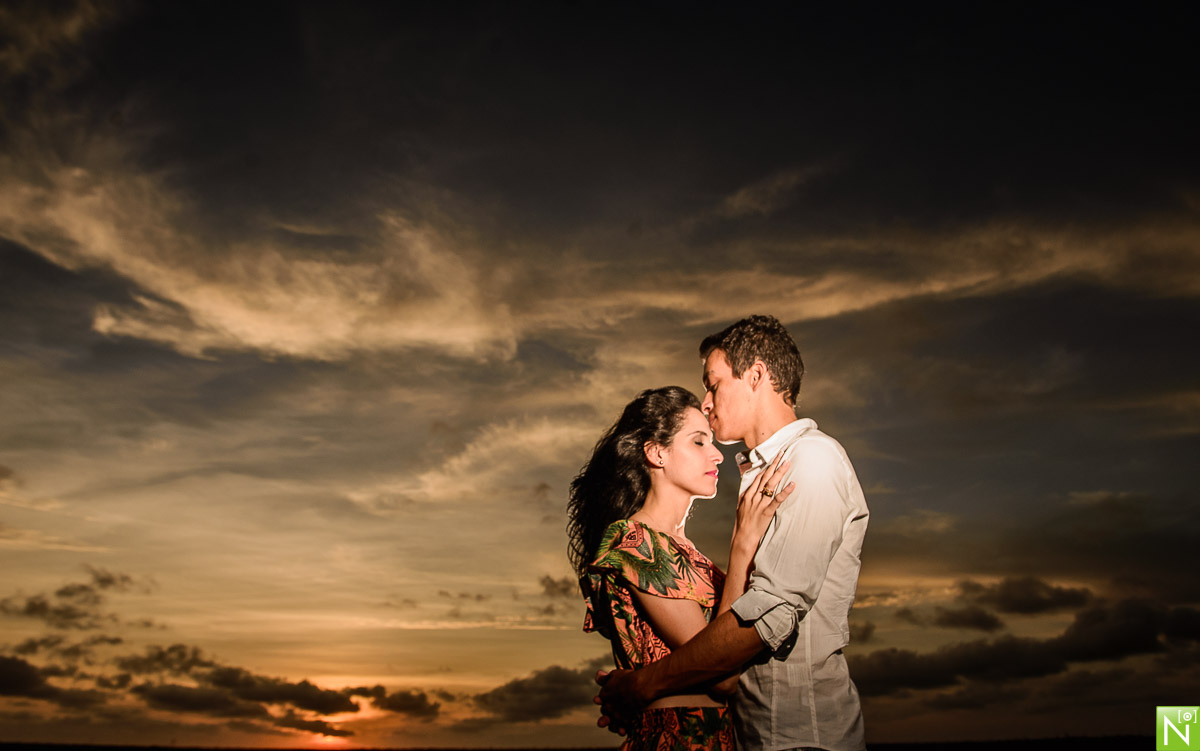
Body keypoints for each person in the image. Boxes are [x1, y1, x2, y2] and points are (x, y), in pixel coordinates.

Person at [596, 315, 870, 751]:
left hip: (799, 737)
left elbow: (764, 620)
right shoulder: (761, 476)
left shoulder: (811, 463)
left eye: (714, 383)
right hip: (754, 736)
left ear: (757, 375)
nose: (706, 400)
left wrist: (644, 685)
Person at [567, 386, 794, 751]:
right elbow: (721, 676)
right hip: (674, 741)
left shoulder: (691, 554)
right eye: (699, 442)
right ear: (657, 452)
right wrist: (742, 545)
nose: (718, 455)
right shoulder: (634, 542)